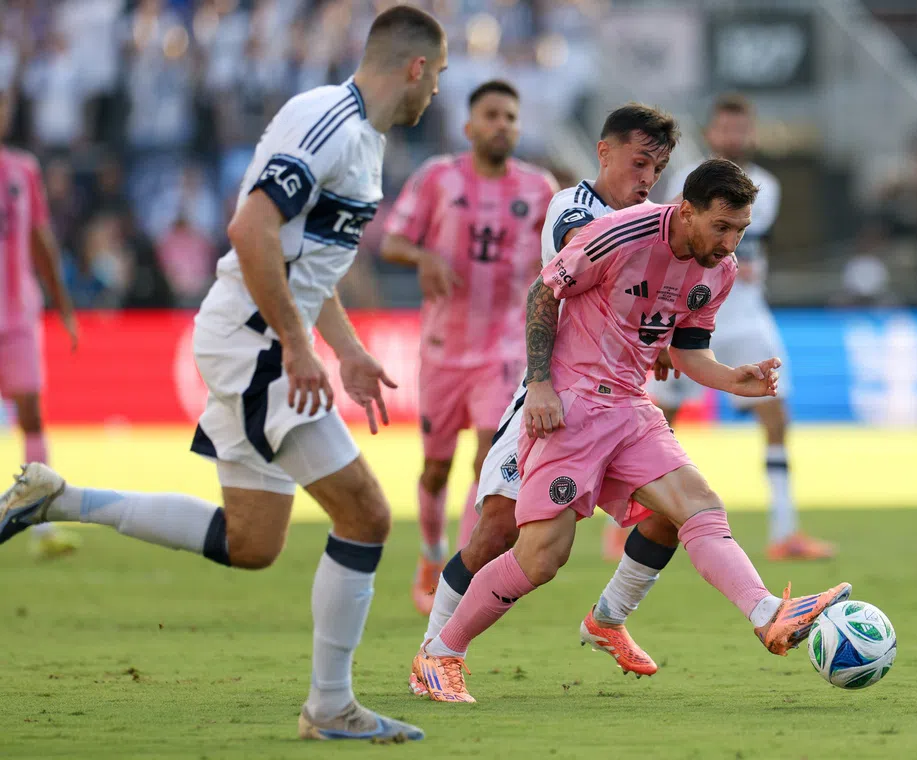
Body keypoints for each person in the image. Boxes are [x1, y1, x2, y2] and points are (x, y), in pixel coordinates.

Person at [0, 6, 448, 742]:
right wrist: (299, 347)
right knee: (366, 515)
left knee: (254, 542)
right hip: (257, 344)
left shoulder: (360, 141)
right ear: (415, 68)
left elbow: (304, 262)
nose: (436, 93)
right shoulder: (329, 120)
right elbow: (250, 230)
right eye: (439, 76)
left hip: (260, 340)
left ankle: (57, 497)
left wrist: (346, 348)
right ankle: (330, 706)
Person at [411, 159, 852, 703]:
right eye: (722, 227)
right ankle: (440, 653)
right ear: (687, 211)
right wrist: (542, 386)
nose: (731, 242)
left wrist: (732, 381)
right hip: (570, 409)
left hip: (629, 408)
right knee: (541, 558)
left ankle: (768, 615)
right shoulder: (620, 233)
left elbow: (690, 350)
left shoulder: (721, 269)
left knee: (696, 505)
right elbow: (543, 295)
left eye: (740, 230)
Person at [409, 104, 685, 697]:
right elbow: (586, 268)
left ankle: (609, 618)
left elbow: (651, 294)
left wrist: (656, 334)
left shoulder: (647, 219)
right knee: (497, 532)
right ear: (604, 152)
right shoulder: (574, 207)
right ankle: (432, 656)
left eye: (658, 168)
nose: (647, 178)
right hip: (550, 394)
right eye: (639, 162)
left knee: (676, 510)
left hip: (614, 406)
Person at [382, 79, 556, 615]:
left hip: (505, 349)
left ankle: (460, 568)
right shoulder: (437, 176)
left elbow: (560, 264)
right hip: (441, 348)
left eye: (510, 116)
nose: (502, 124)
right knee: (436, 467)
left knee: (488, 461)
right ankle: (432, 555)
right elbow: (391, 241)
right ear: (469, 127)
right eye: (492, 115)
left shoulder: (540, 189)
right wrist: (424, 258)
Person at [650, 95, 834, 561]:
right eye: (725, 129)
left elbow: (742, 245)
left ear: (750, 133)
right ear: (712, 132)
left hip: (745, 314)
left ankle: (784, 529)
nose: (733, 137)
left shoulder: (765, 187)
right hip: (689, 314)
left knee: (777, 414)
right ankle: (630, 521)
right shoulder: (686, 180)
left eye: (740, 129)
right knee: (659, 424)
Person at [0, 87, 81, 560]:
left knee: (31, 411)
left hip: (18, 316)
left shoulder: (23, 169)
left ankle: (40, 527)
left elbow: (40, 240)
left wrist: (64, 306)